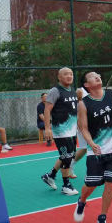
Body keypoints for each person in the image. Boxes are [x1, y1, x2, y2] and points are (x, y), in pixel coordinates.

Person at [73, 71, 112, 223]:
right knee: (91, 184)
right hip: (97, 151)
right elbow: (83, 128)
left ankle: (102, 217)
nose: (97, 76)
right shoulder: (83, 104)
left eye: (98, 74)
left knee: (110, 183)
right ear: (87, 85)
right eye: (92, 76)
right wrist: (91, 143)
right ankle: (82, 201)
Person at [40, 67, 81, 196]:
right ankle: (66, 185)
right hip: (61, 131)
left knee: (68, 156)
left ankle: (50, 175)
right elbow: (47, 110)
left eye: (71, 74)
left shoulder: (72, 91)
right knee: (67, 158)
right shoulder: (55, 91)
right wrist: (47, 128)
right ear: (59, 77)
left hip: (72, 131)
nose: (69, 76)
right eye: (66, 74)